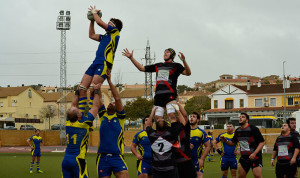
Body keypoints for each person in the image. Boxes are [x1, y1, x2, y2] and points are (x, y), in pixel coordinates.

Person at [122, 48, 191, 124]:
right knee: (158, 118)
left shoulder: (176, 65)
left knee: (171, 115)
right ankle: (162, 134)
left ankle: (174, 134)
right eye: (164, 52)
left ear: (172, 55)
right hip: (158, 96)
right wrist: (131, 58)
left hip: (170, 95)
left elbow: (188, 73)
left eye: (167, 52)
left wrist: (184, 61)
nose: (165, 53)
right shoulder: (158, 65)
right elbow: (141, 68)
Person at [79, 5, 123, 108]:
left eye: (109, 23)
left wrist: (94, 13)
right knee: (81, 88)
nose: (106, 24)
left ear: (114, 26)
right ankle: (81, 113)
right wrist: (92, 20)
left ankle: (91, 114)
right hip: (95, 62)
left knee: (94, 89)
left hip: (104, 63)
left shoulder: (115, 32)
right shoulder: (105, 37)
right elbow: (91, 35)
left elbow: (100, 22)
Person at [62, 83, 102, 178]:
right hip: (78, 160)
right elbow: (95, 107)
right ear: (79, 116)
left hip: (66, 160)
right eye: (79, 111)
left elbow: (73, 105)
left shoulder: (68, 122)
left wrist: (77, 92)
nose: (80, 110)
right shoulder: (84, 122)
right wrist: (96, 91)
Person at [96, 72, 129, 178]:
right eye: (110, 102)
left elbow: (118, 98)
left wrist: (109, 81)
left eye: (113, 103)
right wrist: (98, 87)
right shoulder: (103, 115)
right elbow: (99, 100)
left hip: (117, 156)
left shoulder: (120, 118)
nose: (111, 103)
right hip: (102, 157)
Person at [145, 104, 186, 178]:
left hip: (157, 170)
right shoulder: (171, 133)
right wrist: (177, 110)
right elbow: (183, 122)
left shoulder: (152, 135)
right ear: (167, 126)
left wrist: (152, 112)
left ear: (156, 126)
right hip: (170, 169)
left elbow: (147, 125)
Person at [220, 113, 265, 178]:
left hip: (255, 157)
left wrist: (254, 153)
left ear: (247, 120)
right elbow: (233, 143)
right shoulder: (238, 131)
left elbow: (262, 142)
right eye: (240, 117)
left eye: (243, 117)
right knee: (241, 176)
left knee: (257, 176)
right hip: (244, 158)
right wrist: (225, 140)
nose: (240, 118)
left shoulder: (253, 129)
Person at [173, 103, 197, 178]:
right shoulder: (172, 129)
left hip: (187, 162)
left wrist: (178, 105)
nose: (178, 117)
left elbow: (185, 116)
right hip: (176, 164)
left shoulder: (185, 129)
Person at [189, 112, 211, 178]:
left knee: (199, 176)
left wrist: (202, 159)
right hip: (186, 160)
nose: (191, 118)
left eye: (194, 116)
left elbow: (208, 146)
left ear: (198, 120)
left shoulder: (201, 132)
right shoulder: (186, 131)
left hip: (196, 160)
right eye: (191, 116)